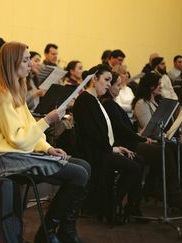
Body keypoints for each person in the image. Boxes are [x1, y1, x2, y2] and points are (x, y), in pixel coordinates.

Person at [0, 42, 90, 243]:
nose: (31, 65)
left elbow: (30, 130)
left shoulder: (14, 90)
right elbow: (19, 140)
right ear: (12, 63)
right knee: (79, 173)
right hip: (9, 158)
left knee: (83, 166)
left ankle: (66, 229)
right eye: (25, 60)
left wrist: (48, 147)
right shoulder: (1, 94)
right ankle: (48, 232)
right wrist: (48, 120)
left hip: (20, 153)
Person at [101, 72, 182, 212]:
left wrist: (140, 136)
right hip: (126, 145)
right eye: (117, 85)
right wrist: (142, 138)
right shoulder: (109, 105)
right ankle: (173, 196)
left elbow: (125, 130)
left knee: (165, 150)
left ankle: (155, 190)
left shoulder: (112, 104)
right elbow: (122, 131)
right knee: (163, 150)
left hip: (131, 141)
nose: (120, 88)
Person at [72, 64, 143, 222]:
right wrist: (113, 149)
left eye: (111, 81)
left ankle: (124, 207)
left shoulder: (93, 100)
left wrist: (115, 147)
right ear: (94, 79)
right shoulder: (86, 100)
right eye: (106, 80)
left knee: (137, 161)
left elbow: (101, 133)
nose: (109, 84)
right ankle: (111, 205)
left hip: (101, 149)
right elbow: (93, 134)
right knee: (134, 168)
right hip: (93, 153)